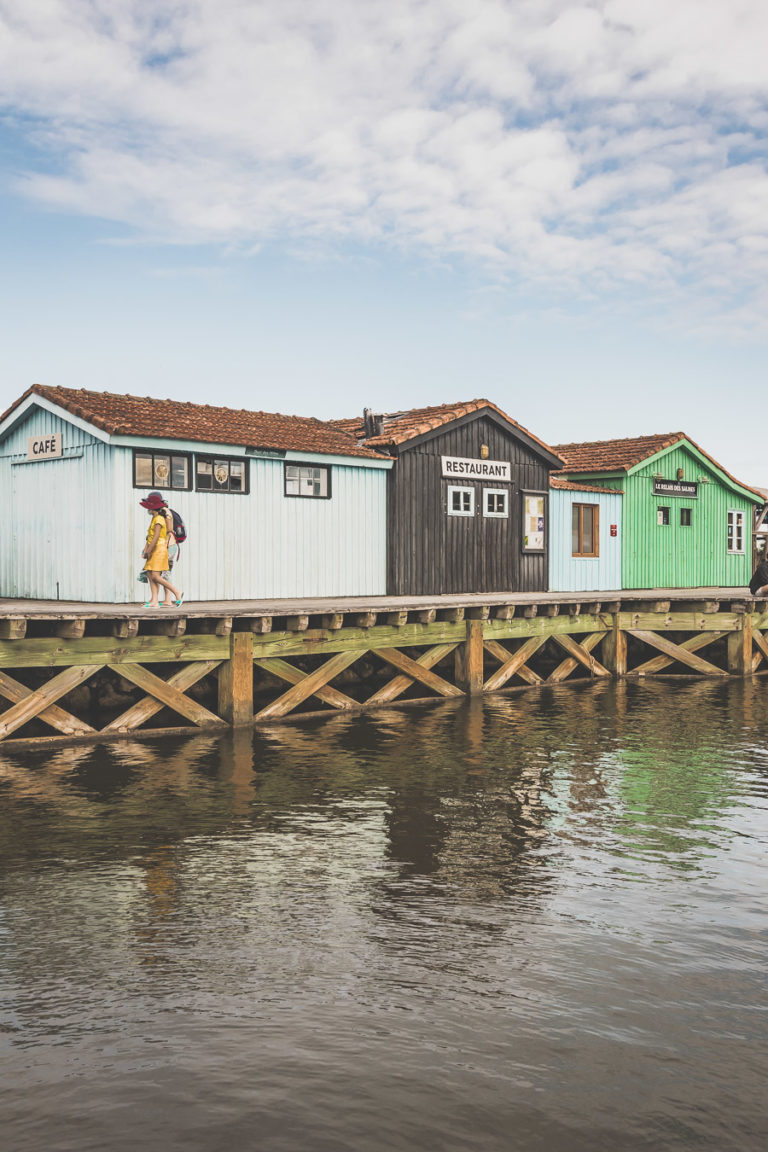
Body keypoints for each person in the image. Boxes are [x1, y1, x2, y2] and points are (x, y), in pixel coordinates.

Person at [140, 492, 184, 608]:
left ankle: (176, 592)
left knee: (156, 575)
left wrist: (148, 551)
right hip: (154, 550)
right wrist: (146, 550)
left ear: (152, 507)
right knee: (149, 574)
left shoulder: (159, 519)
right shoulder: (155, 518)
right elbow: (149, 537)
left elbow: (156, 537)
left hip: (159, 550)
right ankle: (154, 601)